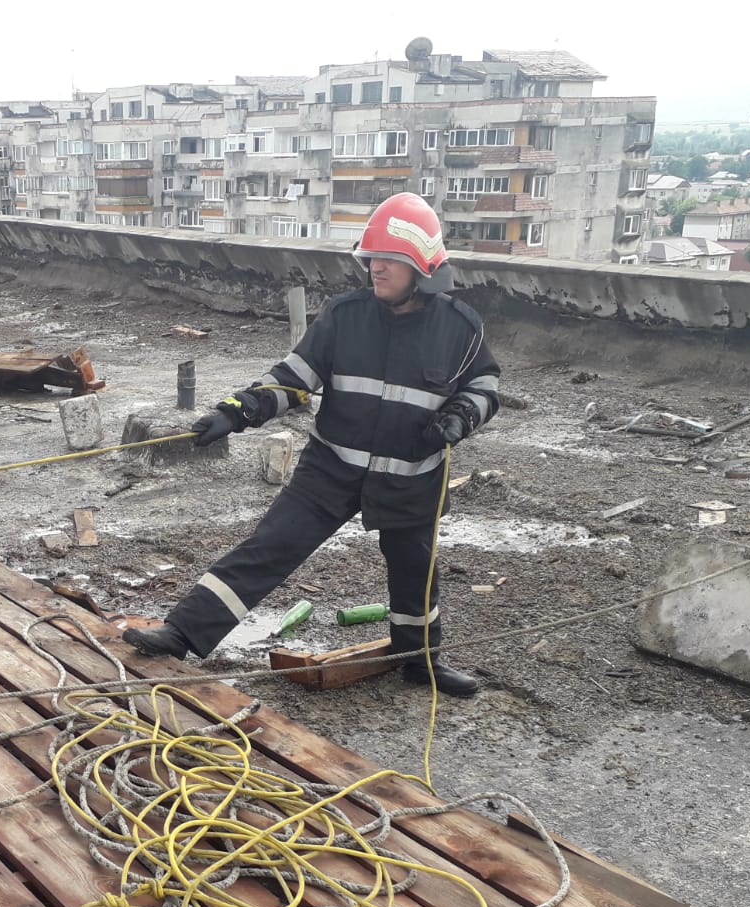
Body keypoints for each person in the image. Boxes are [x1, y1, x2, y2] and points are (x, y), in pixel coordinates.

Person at [122, 192, 500, 697]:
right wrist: (236, 412)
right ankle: (182, 632)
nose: (376, 268)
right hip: (331, 469)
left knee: (416, 574)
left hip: (411, 480)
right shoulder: (345, 316)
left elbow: (485, 386)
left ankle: (420, 662)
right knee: (269, 547)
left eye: (390, 259)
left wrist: (462, 415)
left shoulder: (460, 328)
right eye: (372, 258)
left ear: (423, 268)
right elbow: (293, 379)